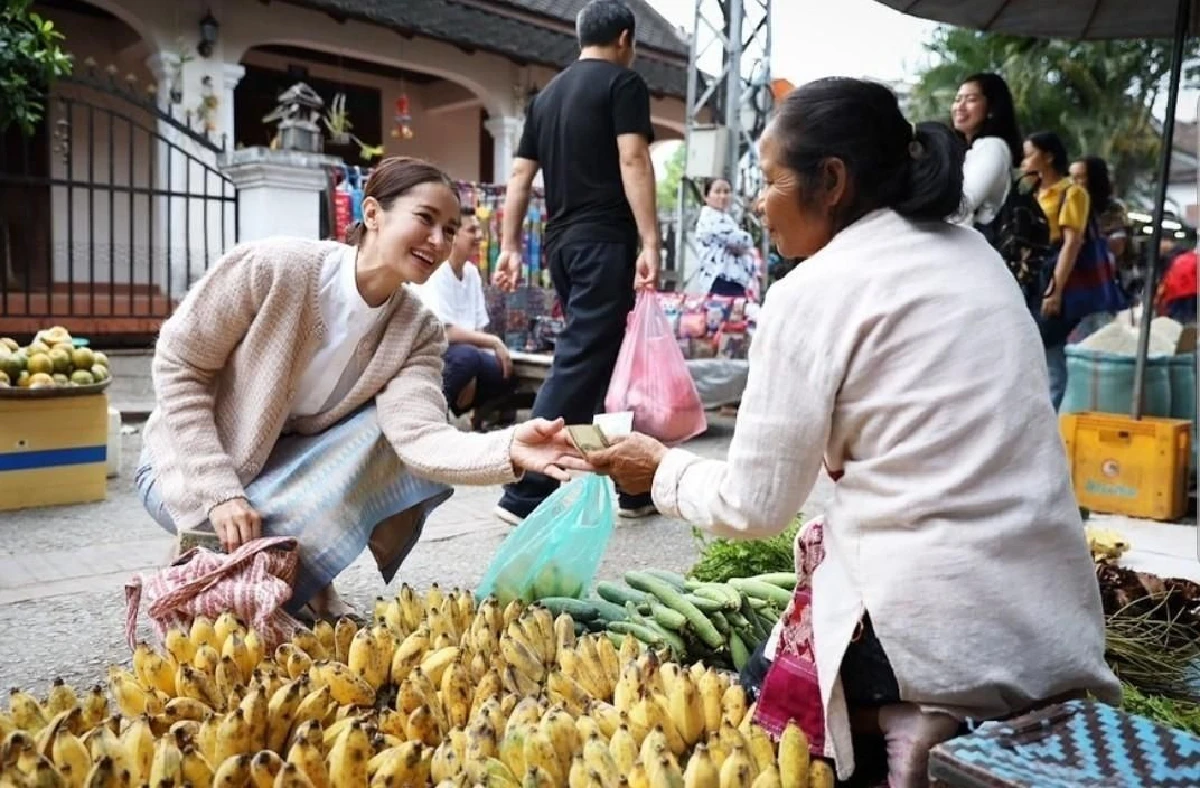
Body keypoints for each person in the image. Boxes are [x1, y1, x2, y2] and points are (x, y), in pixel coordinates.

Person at [587, 78, 1119, 787]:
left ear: (831, 180)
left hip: (941, 634)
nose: (757, 203)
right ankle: (924, 712)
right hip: (1051, 626)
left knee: (750, 709)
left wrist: (659, 470)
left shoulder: (813, 292)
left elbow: (753, 506)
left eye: (770, 180)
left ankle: (900, 713)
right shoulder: (974, 254)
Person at [135, 156, 587, 624]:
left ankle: (283, 570)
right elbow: (179, 364)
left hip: (276, 478)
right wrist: (219, 491)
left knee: (381, 434)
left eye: (450, 230)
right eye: (425, 219)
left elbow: (420, 436)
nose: (438, 241)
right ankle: (245, 563)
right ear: (372, 213)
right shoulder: (276, 267)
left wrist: (513, 446)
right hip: (188, 470)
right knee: (229, 598)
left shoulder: (417, 330)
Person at [491, 0, 659, 525]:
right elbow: (633, 158)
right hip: (602, 243)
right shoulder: (622, 84)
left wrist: (512, 245)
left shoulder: (546, 99)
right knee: (578, 365)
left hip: (562, 246)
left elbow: (519, 179)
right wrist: (650, 240)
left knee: (596, 369)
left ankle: (627, 484)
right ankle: (523, 493)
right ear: (626, 38)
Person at [411, 206, 517, 425]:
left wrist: (488, 355)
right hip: (436, 351)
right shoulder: (437, 272)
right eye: (472, 231)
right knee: (467, 358)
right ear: (455, 236)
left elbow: (479, 327)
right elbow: (444, 331)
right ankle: (433, 416)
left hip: (469, 353)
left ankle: (469, 414)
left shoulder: (471, 272)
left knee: (506, 372)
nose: (479, 236)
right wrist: (493, 343)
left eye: (479, 230)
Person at [1022, 131, 1091, 410]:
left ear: (1048, 156)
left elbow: (1072, 243)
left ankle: (1049, 420)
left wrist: (1055, 289)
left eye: (1030, 154)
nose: (1024, 160)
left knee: (1051, 352)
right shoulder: (1031, 192)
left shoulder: (1071, 193)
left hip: (1050, 272)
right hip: (1027, 273)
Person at [950, 72, 1022, 231]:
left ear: (992, 108)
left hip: (977, 247)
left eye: (971, 100)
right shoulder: (974, 148)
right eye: (957, 99)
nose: (960, 106)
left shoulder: (992, 146)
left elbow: (962, 206)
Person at [690, 177, 758, 297]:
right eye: (717, 192)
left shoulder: (726, 218)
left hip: (732, 280)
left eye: (726, 191)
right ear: (706, 196)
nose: (722, 196)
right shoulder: (710, 217)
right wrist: (745, 246)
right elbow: (741, 239)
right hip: (720, 279)